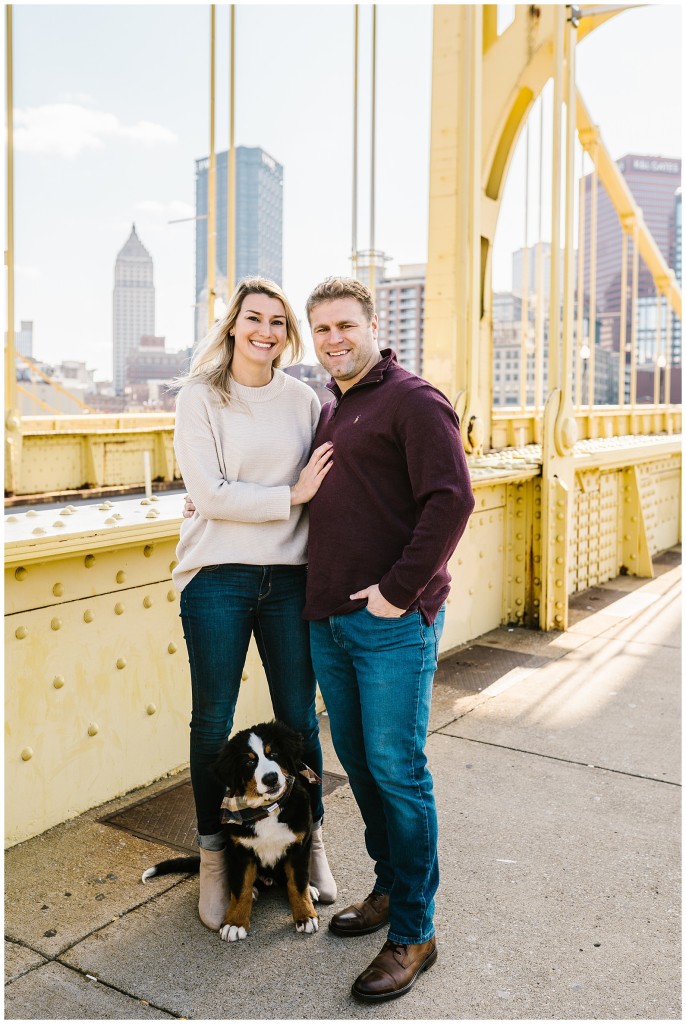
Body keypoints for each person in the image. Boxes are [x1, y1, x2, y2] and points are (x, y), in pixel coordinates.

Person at [303, 277, 475, 1002]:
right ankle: (387, 886)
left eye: (345, 325)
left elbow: (452, 499)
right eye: (321, 330)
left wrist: (397, 594)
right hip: (330, 624)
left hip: (391, 627)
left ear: (373, 324)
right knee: (364, 768)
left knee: (398, 771)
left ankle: (415, 930)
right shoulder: (334, 408)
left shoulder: (413, 399)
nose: (334, 339)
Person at [172, 276, 337, 933]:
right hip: (216, 573)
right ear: (233, 326)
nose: (264, 331)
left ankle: (312, 841)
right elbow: (209, 496)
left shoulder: (306, 400)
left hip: (289, 576)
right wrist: (288, 496)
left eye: (277, 321)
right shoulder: (199, 396)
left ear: (287, 333)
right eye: (252, 319)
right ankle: (215, 856)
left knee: (299, 715)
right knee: (212, 718)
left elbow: (335, 476)